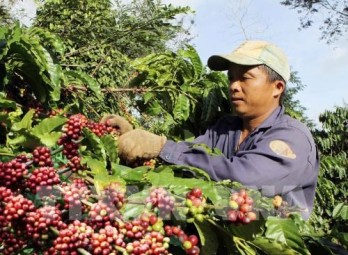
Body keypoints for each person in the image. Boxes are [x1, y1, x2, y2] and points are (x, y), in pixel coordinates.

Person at [101, 40, 320, 220]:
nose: (234, 85)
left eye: (245, 77)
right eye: (231, 77)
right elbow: (188, 158)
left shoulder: (293, 137)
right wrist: (134, 138)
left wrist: (161, 146)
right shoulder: (225, 129)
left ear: (277, 88)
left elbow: (247, 180)